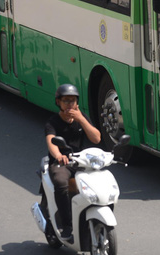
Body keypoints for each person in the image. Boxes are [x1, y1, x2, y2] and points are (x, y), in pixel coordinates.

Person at [44, 84, 101, 242]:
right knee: (61, 182)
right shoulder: (52, 122)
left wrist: (81, 119)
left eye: (73, 101)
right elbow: (51, 142)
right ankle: (67, 225)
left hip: (80, 159)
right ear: (58, 102)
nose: (70, 104)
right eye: (66, 101)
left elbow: (96, 138)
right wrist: (58, 155)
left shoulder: (81, 117)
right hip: (62, 162)